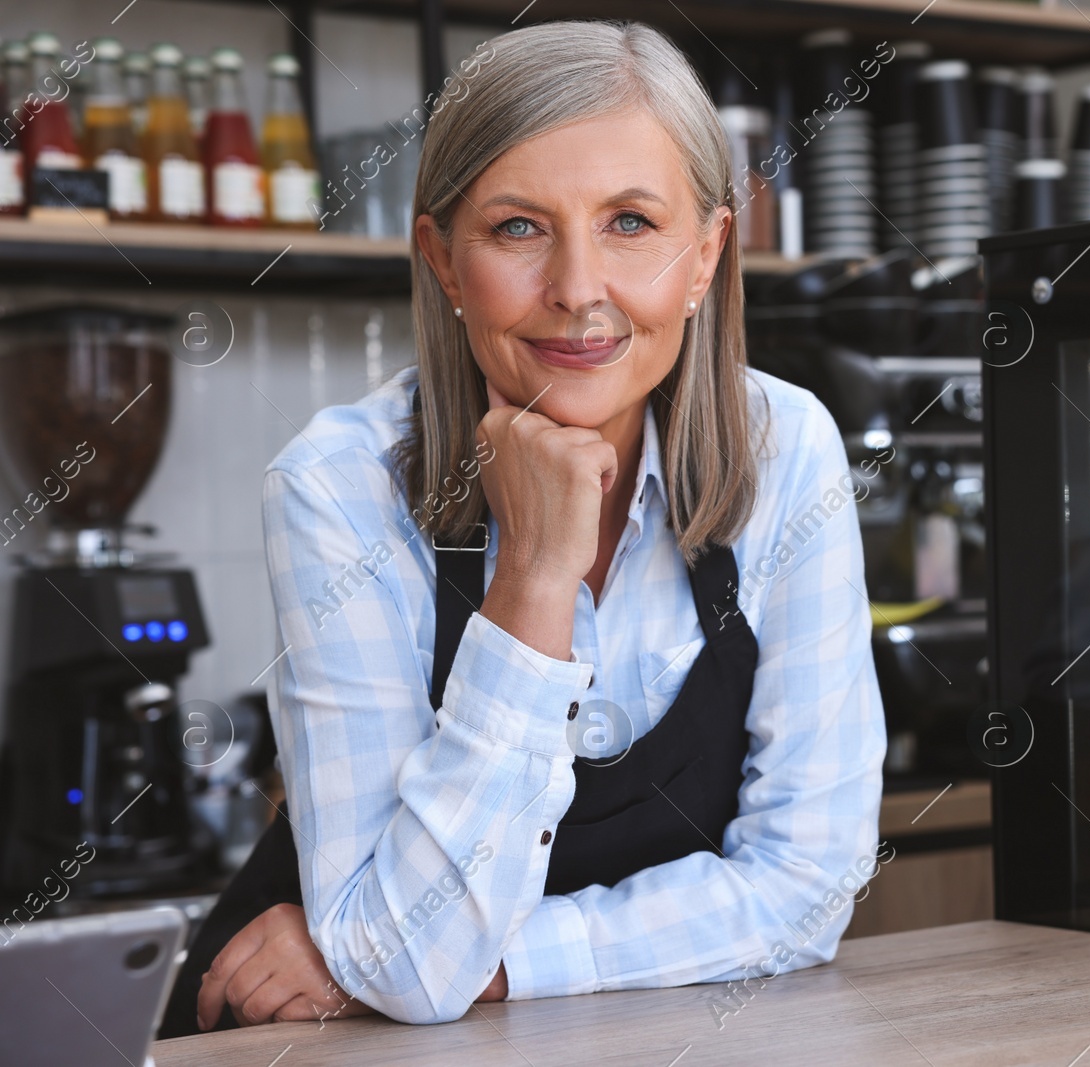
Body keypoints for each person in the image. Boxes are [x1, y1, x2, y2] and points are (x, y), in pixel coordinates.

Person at [160, 20, 885, 1035]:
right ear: (443, 261)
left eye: (631, 221)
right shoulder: (340, 487)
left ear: (706, 253)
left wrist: (501, 964)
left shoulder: (786, 448)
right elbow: (408, 965)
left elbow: (809, 882)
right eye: (516, 227)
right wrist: (536, 576)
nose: (578, 289)